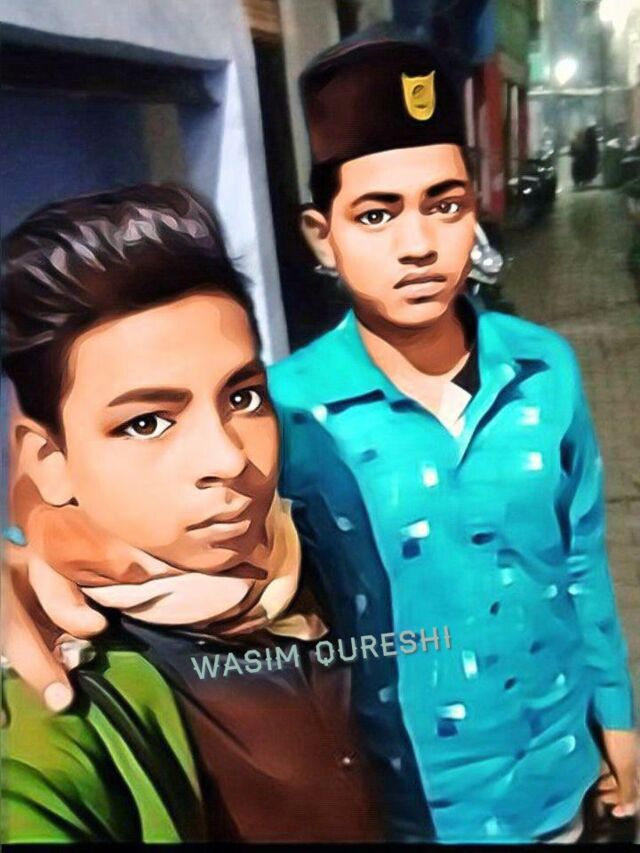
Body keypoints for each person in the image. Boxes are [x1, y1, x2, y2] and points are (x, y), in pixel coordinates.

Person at [2, 36, 637, 844]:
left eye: (444, 204)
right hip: (404, 810)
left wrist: (618, 717)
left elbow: (580, 563)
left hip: (555, 781)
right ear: (319, 234)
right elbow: (112, 529)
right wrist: (20, 551)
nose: (417, 244)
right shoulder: (282, 410)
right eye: (376, 213)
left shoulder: (545, 370)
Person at [0, 185, 384, 843]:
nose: (228, 458)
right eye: (147, 422)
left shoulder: (305, 541)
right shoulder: (65, 703)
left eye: (242, 397)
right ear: (48, 460)